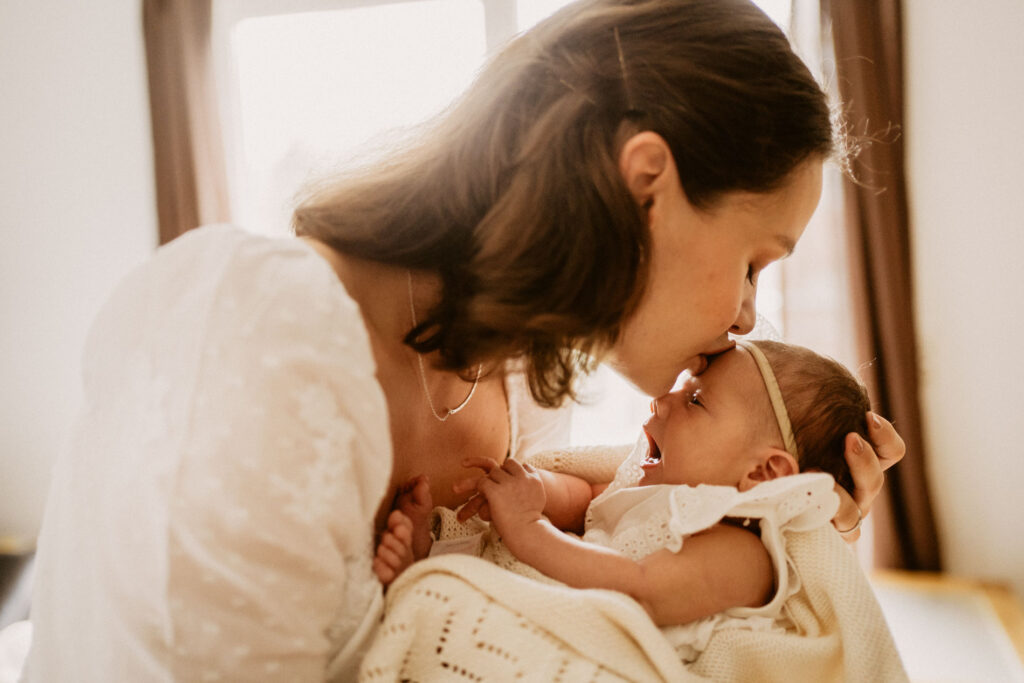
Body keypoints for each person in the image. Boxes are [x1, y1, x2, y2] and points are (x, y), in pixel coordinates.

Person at [24, 0, 904, 680]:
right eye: (755, 261)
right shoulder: (254, 338)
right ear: (647, 186)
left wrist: (783, 546)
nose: (749, 316)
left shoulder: (521, 391)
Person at [374, 339, 872, 661]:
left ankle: (425, 591)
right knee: (489, 561)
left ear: (764, 472)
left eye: (696, 401)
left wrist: (528, 529)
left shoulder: (743, 545)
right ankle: (429, 564)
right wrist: (537, 490)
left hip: (616, 658)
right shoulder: (652, 484)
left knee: (495, 623)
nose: (663, 400)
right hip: (566, 595)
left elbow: (640, 591)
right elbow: (588, 499)